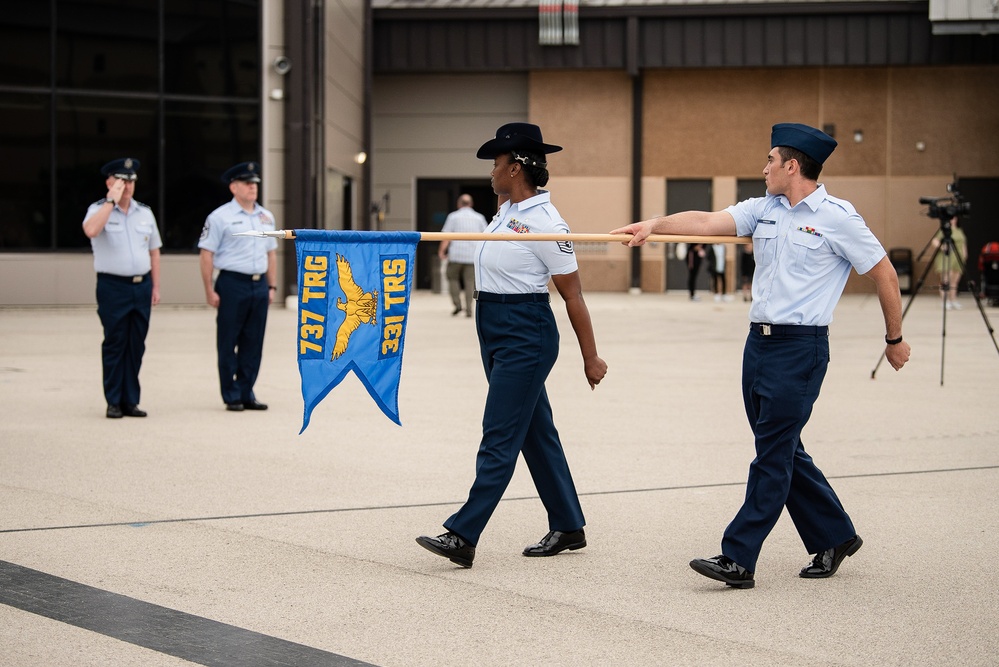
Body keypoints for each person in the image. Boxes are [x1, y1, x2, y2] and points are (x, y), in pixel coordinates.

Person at [612, 123, 911, 588]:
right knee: (781, 447)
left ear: (792, 166)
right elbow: (708, 221)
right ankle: (836, 535)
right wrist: (655, 226)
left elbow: (885, 275)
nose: (764, 168)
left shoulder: (838, 217)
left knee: (771, 455)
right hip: (759, 344)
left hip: (801, 349)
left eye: (770, 160)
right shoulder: (764, 209)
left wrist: (894, 340)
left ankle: (738, 557)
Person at [416, 123, 608, 567]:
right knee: (536, 434)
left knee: (499, 433)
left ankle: (463, 533)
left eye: (497, 164)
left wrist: (590, 355)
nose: (491, 172)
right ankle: (568, 525)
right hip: (493, 325)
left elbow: (572, 294)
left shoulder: (547, 224)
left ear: (516, 168)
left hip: (527, 331)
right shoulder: (503, 212)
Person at [82, 158, 162, 419]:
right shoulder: (98, 210)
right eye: (121, 180)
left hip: (141, 285)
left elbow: (154, 251)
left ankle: (131, 400)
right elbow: (91, 230)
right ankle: (113, 400)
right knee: (116, 343)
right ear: (109, 182)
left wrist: (155, 286)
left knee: (136, 344)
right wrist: (110, 202)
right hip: (113, 286)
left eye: (130, 181)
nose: (127, 186)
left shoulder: (145, 212)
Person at [198, 161, 278, 412]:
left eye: (255, 183)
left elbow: (271, 254)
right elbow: (206, 254)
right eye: (247, 183)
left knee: (253, 342)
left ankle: (247, 391)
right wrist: (209, 289)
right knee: (228, 340)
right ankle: (231, 394)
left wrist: (271, 286)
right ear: (233, 187)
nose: (253, 187)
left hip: (258, 286)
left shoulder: (266, 216)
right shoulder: (219, 217)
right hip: (232, 283)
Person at [438, 193, 488, 317]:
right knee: (469, 282)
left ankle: (457, 305)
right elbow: (486, 236)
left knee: (452, 278)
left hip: (456, 255)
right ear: (471, 204)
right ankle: (469, 310)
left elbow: (446, 236)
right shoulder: (479, 217)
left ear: (459, 203)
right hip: (472, 256)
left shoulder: (453, 217)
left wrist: (441, 251)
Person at [930, 216, 967, 310]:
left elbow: (963, 243)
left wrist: (965, 255)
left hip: (958, 258)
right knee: (945, 280)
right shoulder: (943, 231)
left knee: (954, 281)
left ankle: (953, 300)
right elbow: (935, 241)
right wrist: (943, 247)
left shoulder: (959, 230)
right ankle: (945, 301)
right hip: (946, 257)